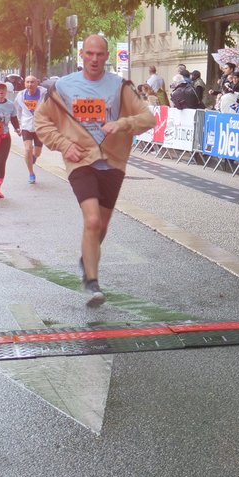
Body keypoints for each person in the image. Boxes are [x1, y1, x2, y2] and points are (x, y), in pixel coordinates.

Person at [34, 34, 155, 307]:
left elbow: (149, 118)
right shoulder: (63, 87)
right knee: (92, 221)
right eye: (89, 54)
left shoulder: (119, 85)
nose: (94, 59)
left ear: (107, 56)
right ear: (82, 56)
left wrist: (122, 124)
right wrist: (64, 144)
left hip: (112, 161)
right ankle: (92, 282)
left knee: (101, 227)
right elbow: (42, 121)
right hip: (81, 160)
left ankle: (86, 257)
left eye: (100, 54)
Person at [14, 76, 47, 184]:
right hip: (26, 125)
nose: (30, 84)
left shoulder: (44, 94)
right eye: (27, 82)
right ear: (24, 84)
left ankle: (33, 157)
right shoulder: (20, 95)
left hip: (39, 126)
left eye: (32, 82)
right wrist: (19, 123)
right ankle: (31, 173)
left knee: (37, 153)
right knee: (28, 149)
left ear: (37, 83)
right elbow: (18, 109)